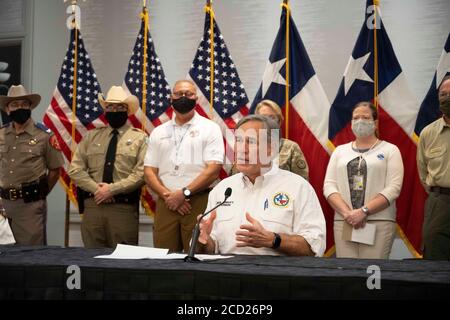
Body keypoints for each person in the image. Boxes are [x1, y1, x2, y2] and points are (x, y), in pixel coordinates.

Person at [197, 115, 326, 256]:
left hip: (276, 272)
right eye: (238, 140)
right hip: (227, 273)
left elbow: (314, 247)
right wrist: (204, 240)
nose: (241, 149)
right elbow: (211, 248)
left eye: (251, 142)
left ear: (270, 149)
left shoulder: (298, 187)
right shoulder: (222, 189)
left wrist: (273, 240)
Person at [144, 79, 224, 253]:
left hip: (197, 201)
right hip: (167, 203)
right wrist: (169, 196)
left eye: (188, 94)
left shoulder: (210, 128)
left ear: (196, 98)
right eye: (178, 94)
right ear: (170, 98)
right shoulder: (159, 131)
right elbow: (149, 170)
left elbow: (213, 170)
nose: (183, 97)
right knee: (162, 257)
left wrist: (184, 193)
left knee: (196, 256)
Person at [68, 86, 147, 248]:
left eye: (120, 107)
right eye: (110, 107)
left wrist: (112, 189)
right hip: (93, 206)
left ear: (127, 110)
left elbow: (141, 173)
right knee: (91, 259)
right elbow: (75, 169)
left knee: (124, 261)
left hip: (122, 209)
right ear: (105, 110)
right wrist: (99, 190)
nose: (114, 110)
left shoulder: (140, 138)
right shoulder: (91, 136)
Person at [324, 101, 404, 259]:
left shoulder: (390, 150)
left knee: (372, 272)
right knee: (347, 273)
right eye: (356, 117)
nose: (360, 121)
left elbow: (393, 188)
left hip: (378, 221)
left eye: (365, 117)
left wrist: (363, 211)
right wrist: (348, 214)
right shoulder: (340, 151)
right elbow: (329, 186)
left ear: (375, 123)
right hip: (345, 222)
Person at [0, 85, 64, 245]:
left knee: (30, 255)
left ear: (30, 107)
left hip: (30, 205)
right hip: (3, 205)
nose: (19, 108)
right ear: (7, 110)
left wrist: (39, 194)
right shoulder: (1, 134)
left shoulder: (44, 135)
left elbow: (55, 170)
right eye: (14, 105)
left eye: (23, 104)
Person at [230, 99, 309, 180]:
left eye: (272, 117)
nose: (267, 121)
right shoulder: (244, 147)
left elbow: (302, 179)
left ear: (279, 121)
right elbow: (235, 178)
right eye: (263, 117)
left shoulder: (291, 147)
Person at [417, 76, 450, 260]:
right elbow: (423, 174)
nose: (446, 98)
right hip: (440, 202)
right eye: (443, 94)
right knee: (435, 254)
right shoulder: (428, 133)